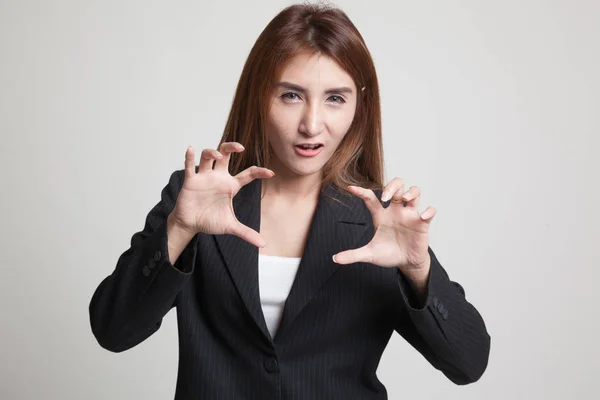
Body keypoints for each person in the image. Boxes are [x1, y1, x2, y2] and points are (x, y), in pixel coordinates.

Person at [89, 3, 491, 399]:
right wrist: (178, 229)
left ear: (360, 104)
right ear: (260, 96)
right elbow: (113, 331)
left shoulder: (378, 219)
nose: (312, 125)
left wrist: (416, 269)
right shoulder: (196, 197)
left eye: (335, 98)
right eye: (291, 95)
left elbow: (468, 364)